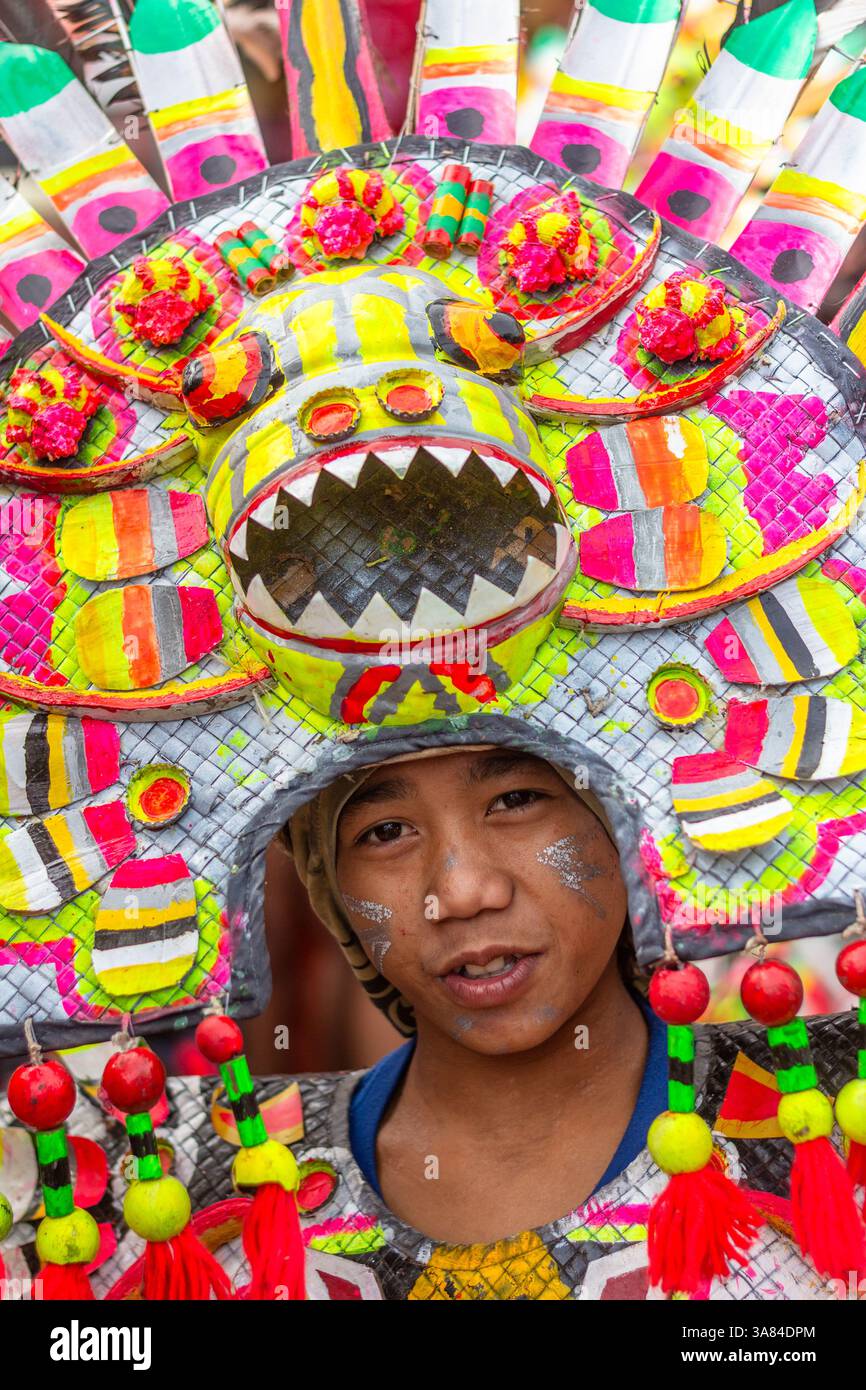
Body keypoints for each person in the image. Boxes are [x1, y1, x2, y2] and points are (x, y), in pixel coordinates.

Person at [282, 743, 838, 1301]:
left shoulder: (836, 1117)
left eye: (515, 800)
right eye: (386, 833)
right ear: (331, 889)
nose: (460, 893)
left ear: (625, 823)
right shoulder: (229, 1172)